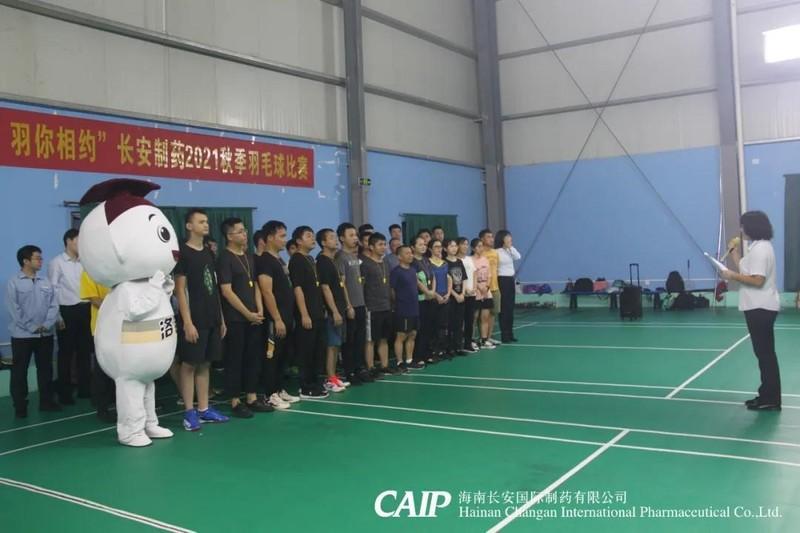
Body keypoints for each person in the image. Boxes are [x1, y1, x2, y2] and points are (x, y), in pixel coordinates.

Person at [174, 209, 230, 431]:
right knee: (189, 364)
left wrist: (221, 318)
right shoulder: (183, 253)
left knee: (206, 363)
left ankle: (204, 409)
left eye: (207, 221)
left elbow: (213, 287)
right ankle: (189, 412)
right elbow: (180, 290)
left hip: (212, 317)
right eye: (201, 221)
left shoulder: (208, 252)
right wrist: (187, 322)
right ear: (189, 226)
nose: (206, 225)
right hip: (194, 319)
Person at [721, 211, 782, 411]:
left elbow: (757, 280)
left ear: (752, 227)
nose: (741, 229)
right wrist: (733, 253)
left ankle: (770, 399)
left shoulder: (760, 250)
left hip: (760, 307)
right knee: (763, 354)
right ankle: (766, 395)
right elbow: (746, 270)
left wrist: (731, 276)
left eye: (743, 225)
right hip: (758, 307)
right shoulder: (758, 247)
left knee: (765, 355)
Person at [218, 217, 267, 418]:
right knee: (235, 359)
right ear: (229, 236)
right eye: (239, 231)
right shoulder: (225, 258)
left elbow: (255, 285)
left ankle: (252, 397)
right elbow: (226, 291)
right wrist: (247, 314)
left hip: (255, 317)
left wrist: (259, 309)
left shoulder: (248, 257)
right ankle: (235, 401)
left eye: (244, 230)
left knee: (253, 358)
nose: (244, 234)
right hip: (236, 319)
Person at [7, 245, 60, 417]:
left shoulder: (45, 282)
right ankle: (20, 406)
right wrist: (31, 326)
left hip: (45, 334)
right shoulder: (14, 282)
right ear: (26, 261)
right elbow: (14, 309)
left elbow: (54, 305)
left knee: (46, 369)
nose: (41, 261)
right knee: (19, 371)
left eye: (41, 258)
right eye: (37, 258)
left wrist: (47, 324)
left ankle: (46, 402)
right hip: (22, 335)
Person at [256, 220, 300, 410]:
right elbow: (267, 292)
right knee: (271, 357)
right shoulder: (265, 261)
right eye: (281, 236)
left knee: (283, 356)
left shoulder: (279, 260)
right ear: (270, 238)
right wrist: (277, 319)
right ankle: (270, 394)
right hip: (275, 320)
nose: (285, 239)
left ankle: (279, 389)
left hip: (287, 316)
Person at [48, 228, 92, 404]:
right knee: (65, 353)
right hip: (67, 311)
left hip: (85, 309)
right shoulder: (57, 263)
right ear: (69, 241)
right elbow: (52, 292)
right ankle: (65, 393)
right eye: (79, 240)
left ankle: (85, 389)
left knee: (84, 351)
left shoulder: (85, 262)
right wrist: (57, 316)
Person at [289, 226, 329, 399]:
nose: (312, 239)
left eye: (313, 236)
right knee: (307, 351)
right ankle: (306, 387)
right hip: (307, 315)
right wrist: (304, 314)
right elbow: (297, 289)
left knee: (318, 351)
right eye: (308, 236)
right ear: (298, 241)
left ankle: (316, 382)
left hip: (318, 312)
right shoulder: (296, 260)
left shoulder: (311, 259)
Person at [336, 223, 371, 385]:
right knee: (349, 341)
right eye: (351, 235)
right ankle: (349, 371)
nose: (355, 238)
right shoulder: (340, 257)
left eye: (356, 235)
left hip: (361, 304)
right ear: (342, 238)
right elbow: (341, 284)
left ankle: (359, 368)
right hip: (350, 306)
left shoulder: (355, 257)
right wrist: (348, 306)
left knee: (359, 339)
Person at [316, 228, 349, 393]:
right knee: (331, 344)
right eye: (331, 238)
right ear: (323, 242)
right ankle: (329, 378)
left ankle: (334, 375)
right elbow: (325, 288)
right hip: (331, 310)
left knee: (337, 345)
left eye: (335, 237)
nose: (335, 240)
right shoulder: (322, 261)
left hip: (340, 307)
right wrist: (334, 311)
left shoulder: (333, 260)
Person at [80, 270, 115, 422]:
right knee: (102, 369)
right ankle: (102, 408)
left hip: (122, 327)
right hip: (101, 328)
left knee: (120, 367)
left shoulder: (118, 268)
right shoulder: (89, 272)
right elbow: (93, 299)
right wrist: (117, 308)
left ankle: (118, 403)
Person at [362, 232, 399, 375]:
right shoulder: (365, 264)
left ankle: (384, 366)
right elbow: (362, 286)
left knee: (384, 338)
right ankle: (370, 367)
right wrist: (365, 305)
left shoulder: (385, 263)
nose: (383, 247)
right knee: (370, 340)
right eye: (380, 244)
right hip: (372, 307)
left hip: (386, 306)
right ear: (371, 247)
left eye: (384, 244)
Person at [390, 245, 422, 369]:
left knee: (412, 334)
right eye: (407, 253)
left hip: (415, 308)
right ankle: (399, 361)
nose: (410, 255)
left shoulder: (413, 270)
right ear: (399, 256)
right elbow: (392, 290)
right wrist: (399, 302)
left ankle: (409, 360)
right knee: (401, 335)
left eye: (411, 253)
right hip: (403, 309)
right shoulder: (396, 272)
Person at [412, 236, 437, 365]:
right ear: (413, 247)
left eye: (424, 244)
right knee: (420, 329)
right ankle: (418, 356)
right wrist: (427, 292)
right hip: (420, 299)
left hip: (430, 298)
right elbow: (416, 279)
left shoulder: (427, 260)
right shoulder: (412, 262)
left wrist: (432, 291)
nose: (423, 247)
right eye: (420, 244)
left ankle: (428, 353)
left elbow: (433, 276)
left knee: (430, 327)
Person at [495, 230, 521, 343]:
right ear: (502, 239)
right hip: (502, 280)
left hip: (510, 280)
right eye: (507, 237)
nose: (510, 239)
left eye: (510, 237)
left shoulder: (510, 250)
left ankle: (510, 333)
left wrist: (510, 248)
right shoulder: (497, 252)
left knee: (510, 308)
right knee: (504, 308)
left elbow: (518, 257)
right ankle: (504, 334)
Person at [428, 240, 451, 359]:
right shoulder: (428, 263)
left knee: (444, 325)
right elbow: (429, 282)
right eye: (436, 247)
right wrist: (436, 295)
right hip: (433, 298)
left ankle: (442, 349)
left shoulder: (445, 263)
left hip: (445, 297)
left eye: (440, 246)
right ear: (430, 249)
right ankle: (433, 350)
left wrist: (448, 294)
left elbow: (449, 279)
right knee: (433, 325)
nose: (439, 249)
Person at [445, 239, 467, 356]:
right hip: (451, 297)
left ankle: (458, 347)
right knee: (450, 323)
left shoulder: (459, 261)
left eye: (455, 246)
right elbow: (447, 282)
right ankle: (449, 348)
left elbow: (464, 279)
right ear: (445, 249)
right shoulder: (444, 263)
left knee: (459, 323)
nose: (454, 248)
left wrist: (462, 293)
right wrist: (455, 295)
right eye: (451, 246)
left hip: (461, 296)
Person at [472, 239, 495, 350]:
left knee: (485, 317)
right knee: (474, 317)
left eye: (482, 246)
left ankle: (484, 340)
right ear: (473, 248)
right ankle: (471, 340)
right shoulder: (470, 260)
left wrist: (486, 287)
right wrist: (478, 287)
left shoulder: (485, 260)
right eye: (478, 246)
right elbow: (471, 276)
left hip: (486, 292)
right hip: (476, 291)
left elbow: (490, 275)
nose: (481, 248)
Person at [480, 229, 502, 345]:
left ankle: (489, 337)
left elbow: (496, 269)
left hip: (495, 287)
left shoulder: (495, 253)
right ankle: (482, 338)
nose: (491, 239)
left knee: (493, 313)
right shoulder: (480, 253)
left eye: (492, 237)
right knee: (483, 315)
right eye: (488, 237)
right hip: (483, 289)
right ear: (482, 239)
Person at [459, 237, 479, 353]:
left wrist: (474, 288)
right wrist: (465, 290)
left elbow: (475, 273)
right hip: (462, 294)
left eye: (467, 244)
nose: (465, 246)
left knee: (470, 320)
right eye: (463, 244)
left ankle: (468, 343)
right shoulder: (457, 260)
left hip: (472, 293)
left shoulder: (469, 259)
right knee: (459, 321)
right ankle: (459, 343)